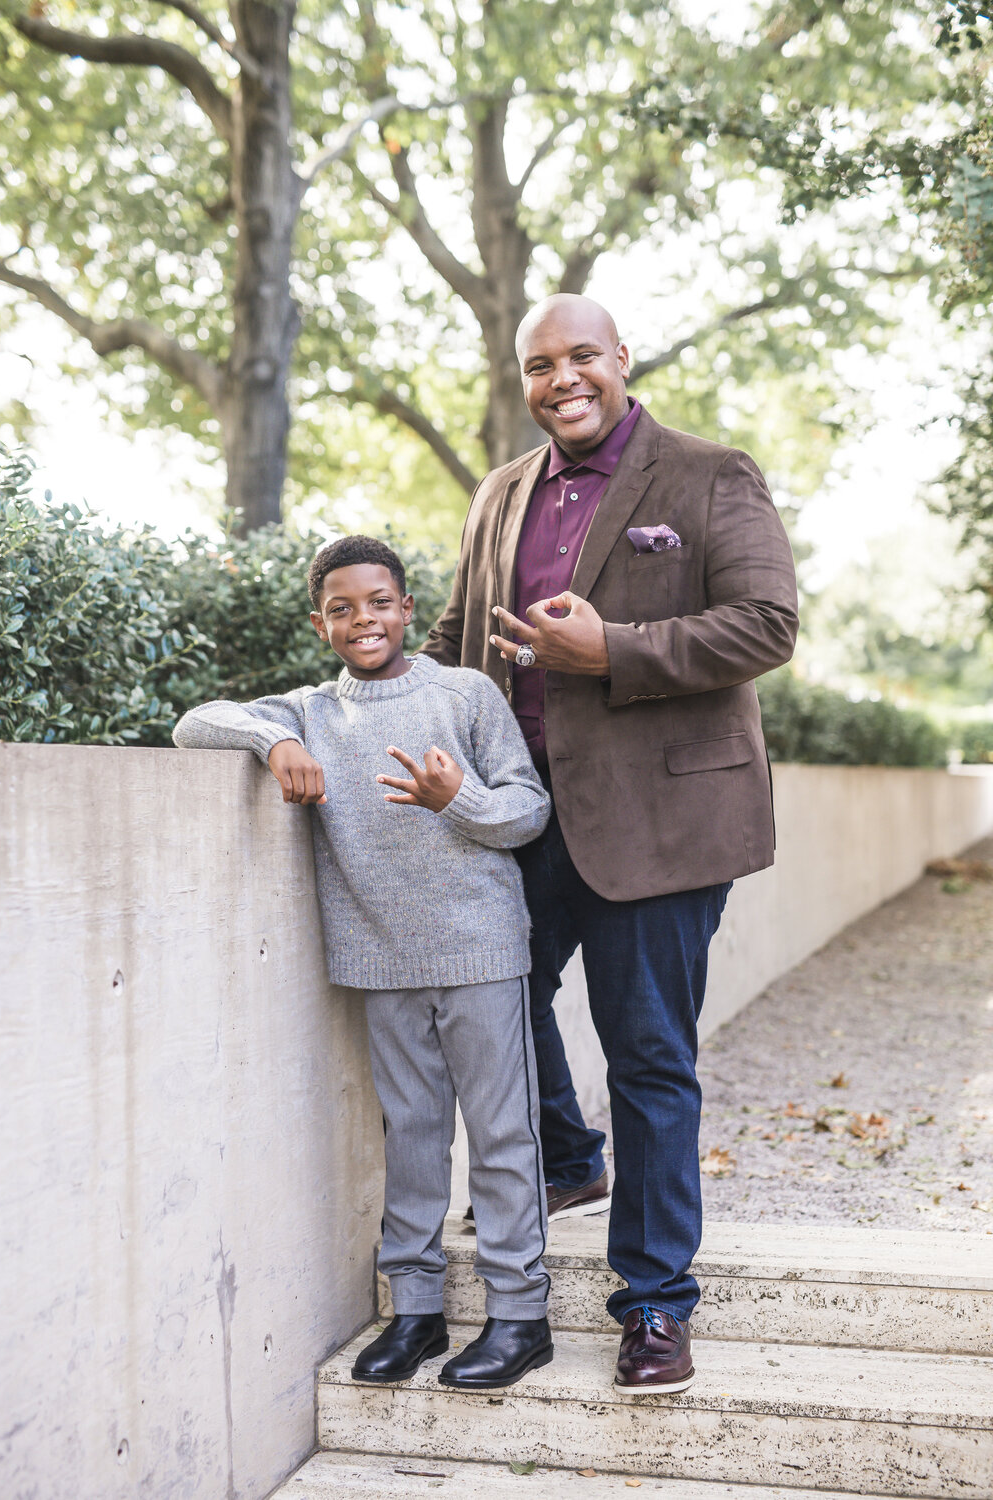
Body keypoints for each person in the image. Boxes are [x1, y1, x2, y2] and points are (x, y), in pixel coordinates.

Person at [420, 294, 799, 1391]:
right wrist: (345, 718)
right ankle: (572, 1162)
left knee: (645, 1058)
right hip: (518, 812)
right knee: (487, 998)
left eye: (580, 357)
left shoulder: (707, 474)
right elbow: (452, 642)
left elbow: (767, 623)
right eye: (540, 365)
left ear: (620, 360)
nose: (561, 380)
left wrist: (613, 651)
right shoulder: (498, 495)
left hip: (661, 822)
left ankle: (654, 1304)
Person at [172, 534, 555, 1391]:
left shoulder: (466, 693)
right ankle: (415, 1311)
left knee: (500, 1135)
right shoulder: (311, 711)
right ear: (321, 624)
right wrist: (273, 744)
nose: (363, 619)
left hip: (481, 948)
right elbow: (194, 722)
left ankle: (521, 1316)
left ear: (407, 608)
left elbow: (528, 810)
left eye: (379, 602)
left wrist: (460, 802)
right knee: (412, 1138)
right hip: (380, 957)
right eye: (342, 609)